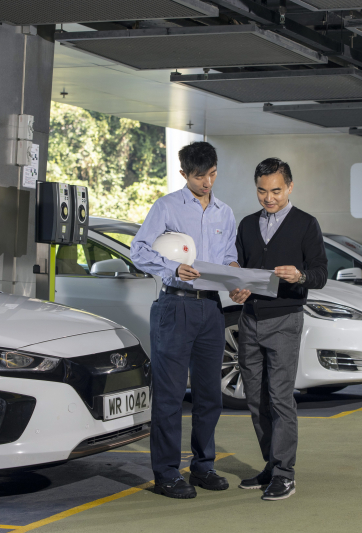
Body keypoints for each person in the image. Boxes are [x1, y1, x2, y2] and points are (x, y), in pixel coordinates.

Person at [131, 142, 239, 499]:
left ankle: (203, 467)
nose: (206, 183)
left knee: (210, 395)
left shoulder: (225, 213)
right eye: (198, 177)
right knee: (170, 395)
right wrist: (173, 267)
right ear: (184, 174)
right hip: (175, 306)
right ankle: (166, 474)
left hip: (211, 308)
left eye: (212, 175)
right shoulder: (166, 206)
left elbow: (228, 255)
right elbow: (138, 250)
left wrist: (235, 272)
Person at [229, 157, 328, 501]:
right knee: (255, 398)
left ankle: (285, 473)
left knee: (280, 397)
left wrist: (300, 276)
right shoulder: (246, 224)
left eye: (275, 191)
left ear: (289, 187)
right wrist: (236, 288)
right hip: (249, 319)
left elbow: (320, 274)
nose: (268, 198)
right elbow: (238, 268)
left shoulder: (306, 224)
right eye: (262, 191)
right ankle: (271, 465)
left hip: (285, 319)